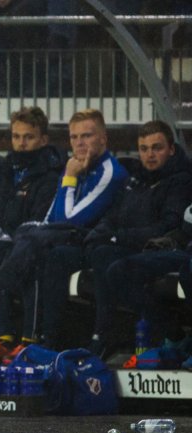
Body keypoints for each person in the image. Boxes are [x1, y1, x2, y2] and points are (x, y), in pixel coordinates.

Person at [0, 109, 128, 353]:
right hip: (68, 240)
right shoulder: (76, 166)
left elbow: (72, 220)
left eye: (87, 136)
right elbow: (51, 218)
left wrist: (69, 178)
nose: (80, 143)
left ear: (103, 139)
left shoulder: (110, 172)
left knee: (46, 254)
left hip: (92, 243)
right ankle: (26, 339)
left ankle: (45, 341)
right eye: (74, 137)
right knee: (29, 247)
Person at [84, 121, 192, 355]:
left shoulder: (180, 180)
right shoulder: (136, 179)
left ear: (171, 150)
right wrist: (101, 234)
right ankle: (102, 333)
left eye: (157, 148)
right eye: (144, 149)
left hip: (165, 249)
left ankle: (173, 333)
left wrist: (117, 237)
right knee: (101, 254)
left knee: (120, 270)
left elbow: (168, 225)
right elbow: (113, 215)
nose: (149, 155)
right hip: (137, 247)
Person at [0, 107, 65, 366]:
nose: (21, 144)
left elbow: (39, 218)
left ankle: (30, 340)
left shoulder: (50, 175)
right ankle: (5, 338)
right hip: (5, 241)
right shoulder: (3, 172)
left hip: (31, 241)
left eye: (28, 137)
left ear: (43, 140)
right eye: (16, 136)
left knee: (29, 253)